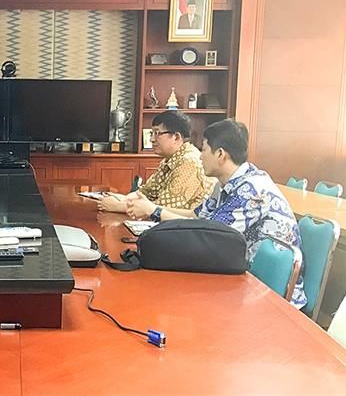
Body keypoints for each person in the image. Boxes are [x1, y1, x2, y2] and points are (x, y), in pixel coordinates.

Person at [126, 119, 307, 308]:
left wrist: (153, 211)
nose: (200, 156)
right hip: (239, 274)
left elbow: (208, 234)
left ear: (220, 154)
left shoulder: (251, 190)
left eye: (203, 149)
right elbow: (196, 216)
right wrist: (151, 207)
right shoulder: (225, 184)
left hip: (268, 295)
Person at [98, 111, 213, 213]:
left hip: (188, 227)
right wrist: (122, 199)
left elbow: (163, 208)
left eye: (157, 133)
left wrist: (118, 206)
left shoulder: (189, 162)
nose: (152, 139)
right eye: (151, 133)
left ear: (176, 137)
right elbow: (146, 193)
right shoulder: (169, 160)